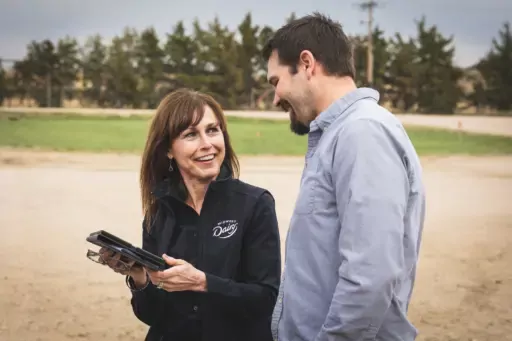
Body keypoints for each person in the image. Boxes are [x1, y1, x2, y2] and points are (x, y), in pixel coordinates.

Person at [263, 13, 426, 341]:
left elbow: (370, 275)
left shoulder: (362, 133)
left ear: (307, 64)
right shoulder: (340, 133)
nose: (276, 98)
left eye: (275, 82)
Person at [96, 89, 281, 341]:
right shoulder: (159, 213)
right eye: (191, 134)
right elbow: (152, 315)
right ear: (169, 150)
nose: (207, 143)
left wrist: (202, 282)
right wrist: (139, 277)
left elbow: (265, 299)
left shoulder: (255, 204)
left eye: (213, 130)